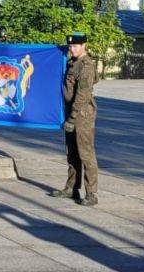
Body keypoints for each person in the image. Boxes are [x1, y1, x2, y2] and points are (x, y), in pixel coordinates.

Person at [53, 32, 99, 206]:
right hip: (71, 113)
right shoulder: (72, 62)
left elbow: (82, 96)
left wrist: (71, 118)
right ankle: (72, 187)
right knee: (71, 153)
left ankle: (91, 193)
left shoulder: (86, 66)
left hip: (82, 115)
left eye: (74, 46)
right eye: (70, 46)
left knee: (85, 154)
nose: (71, 49)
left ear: (83, 46)